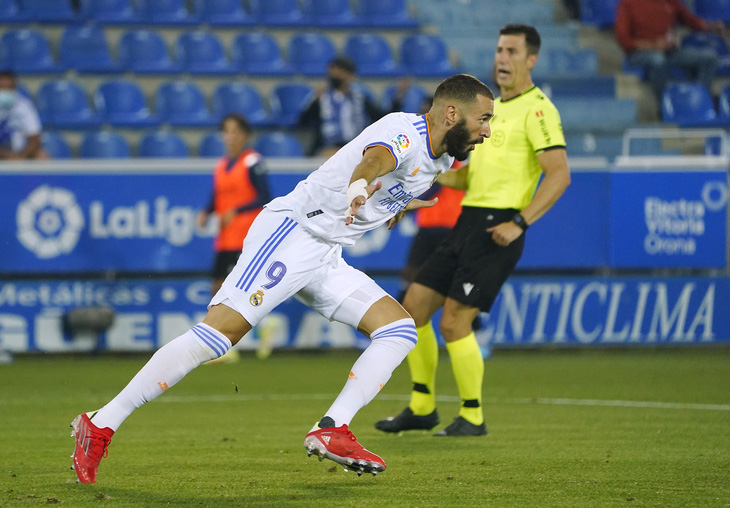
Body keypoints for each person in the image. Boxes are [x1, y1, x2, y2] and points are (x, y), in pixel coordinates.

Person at [69, 73, 495, 483]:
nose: (488, 131)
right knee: (218, 337)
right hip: (293, 233)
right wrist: (359, 190)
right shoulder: (404, 131)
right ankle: (99, 424)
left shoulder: (446, 155)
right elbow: (372, 161)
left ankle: (332, 428)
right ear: (452, 114)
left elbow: (395, 177)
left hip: (326, 254)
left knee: (399, 329)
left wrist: (394, 205)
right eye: (484, 119)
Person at [375, 24, 571, 437]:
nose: (502, 58)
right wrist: (420, 171)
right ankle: (422, 406)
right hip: (468, 221)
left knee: (454, 324)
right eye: (500, 49)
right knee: (413, 309)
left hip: (499, 227)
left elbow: (559, 175)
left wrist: (520, 222)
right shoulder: (491, 112)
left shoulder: (539, 110)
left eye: (512, 51)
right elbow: (468, 181)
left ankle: (473, 415)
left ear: (531, 60)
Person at [196, 113, 273, 363]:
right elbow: (217, 195)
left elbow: (264, 196)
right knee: (217, 287)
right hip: (225, 237)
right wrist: (207, 211)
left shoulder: (252, 162)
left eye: (235, 132)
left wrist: (236, 211)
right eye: (226, 132)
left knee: (241, 290)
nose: (230, 137)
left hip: (246, 235)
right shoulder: (221, 165)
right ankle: (227, 342)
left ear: (245, 135)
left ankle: (231, 343)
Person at [615, 0, 726, 104]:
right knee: (658, 60)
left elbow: (691, 21)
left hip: (669, 52)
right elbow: (623, 39)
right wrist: (653, 46)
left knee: (709, 58)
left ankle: (697, 100)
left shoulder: (671, 1)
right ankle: (664, 104)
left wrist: (711, 27)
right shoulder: (628, 3)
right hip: (639, 54)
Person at [299, 56, 385, 158]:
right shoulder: (321, 98)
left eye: (340, 72)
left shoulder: (360, 99)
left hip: (357, 147)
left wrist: (397, 100)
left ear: (351, 76)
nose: (335, 75)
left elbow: (381, 117)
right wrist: (314, 102)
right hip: (329, 149)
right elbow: (303, 122)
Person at [0, 70, 47, 160]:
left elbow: (35, 137)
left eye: (8, 88)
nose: (4, 92)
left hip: (22, 153)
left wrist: (22, 156)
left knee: (42, 156)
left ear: (15, 89)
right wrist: (6, 156)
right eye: (1, 88)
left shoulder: (24, 105)